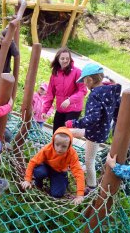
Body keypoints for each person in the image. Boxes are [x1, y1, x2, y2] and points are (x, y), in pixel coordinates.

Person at [65, 63, 121, 194]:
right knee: (67, 133)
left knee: (89, 161)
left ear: (90, 80)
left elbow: (93, 119)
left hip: (94, 133)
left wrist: (74, 122)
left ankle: (91, 188)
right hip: (102, 130)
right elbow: (116, 109)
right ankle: (65, 157)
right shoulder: (110, 91)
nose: (84, 83)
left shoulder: (95, 95)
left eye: (84, 80)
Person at [21, 127, 85, 205]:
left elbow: (78, 172)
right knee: (39, 172)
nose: (59, 149)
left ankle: (61, 182)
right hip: (46, 167)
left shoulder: (72, 154)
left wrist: (80, 194)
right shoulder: (47, 149)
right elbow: (32, 162)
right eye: (57, 144)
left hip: (59, 171)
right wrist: (27, 180)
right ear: (53, 142)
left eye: (64, 146)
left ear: (69, 145)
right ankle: (38, 181)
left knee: (57, 194)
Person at [42, 47, 87, 133]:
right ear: (58, 59)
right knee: (56, 133)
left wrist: (70, 100)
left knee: (65, 134)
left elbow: (83, 91)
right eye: (62, 58)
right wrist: (45, 110)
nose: (65, 60)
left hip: (73, 108)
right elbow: (50, 94)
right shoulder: (55, 73)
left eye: (67, 58)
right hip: (60, 108)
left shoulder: (77, 72)